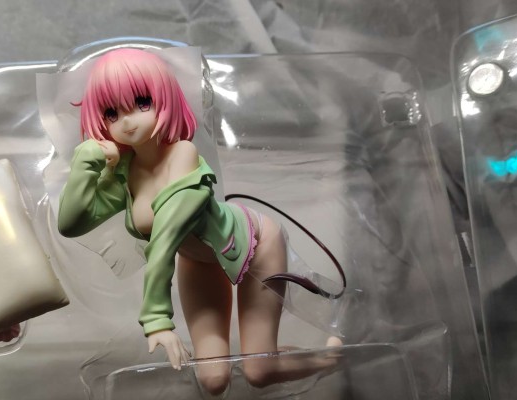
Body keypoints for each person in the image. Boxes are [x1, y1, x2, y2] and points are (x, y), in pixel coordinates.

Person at [57, 48, 340, 395]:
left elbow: (165, 237)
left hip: (254, 245)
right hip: (199, 261)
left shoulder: (183, 155)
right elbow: (72, 224)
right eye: (112, 112)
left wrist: (157, 320)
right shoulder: (125, 174)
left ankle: (329, 358)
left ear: (165, 98)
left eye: (142, 102)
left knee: (259, 371)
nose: (127, 122)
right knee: (213, 379)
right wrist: (86, 161)